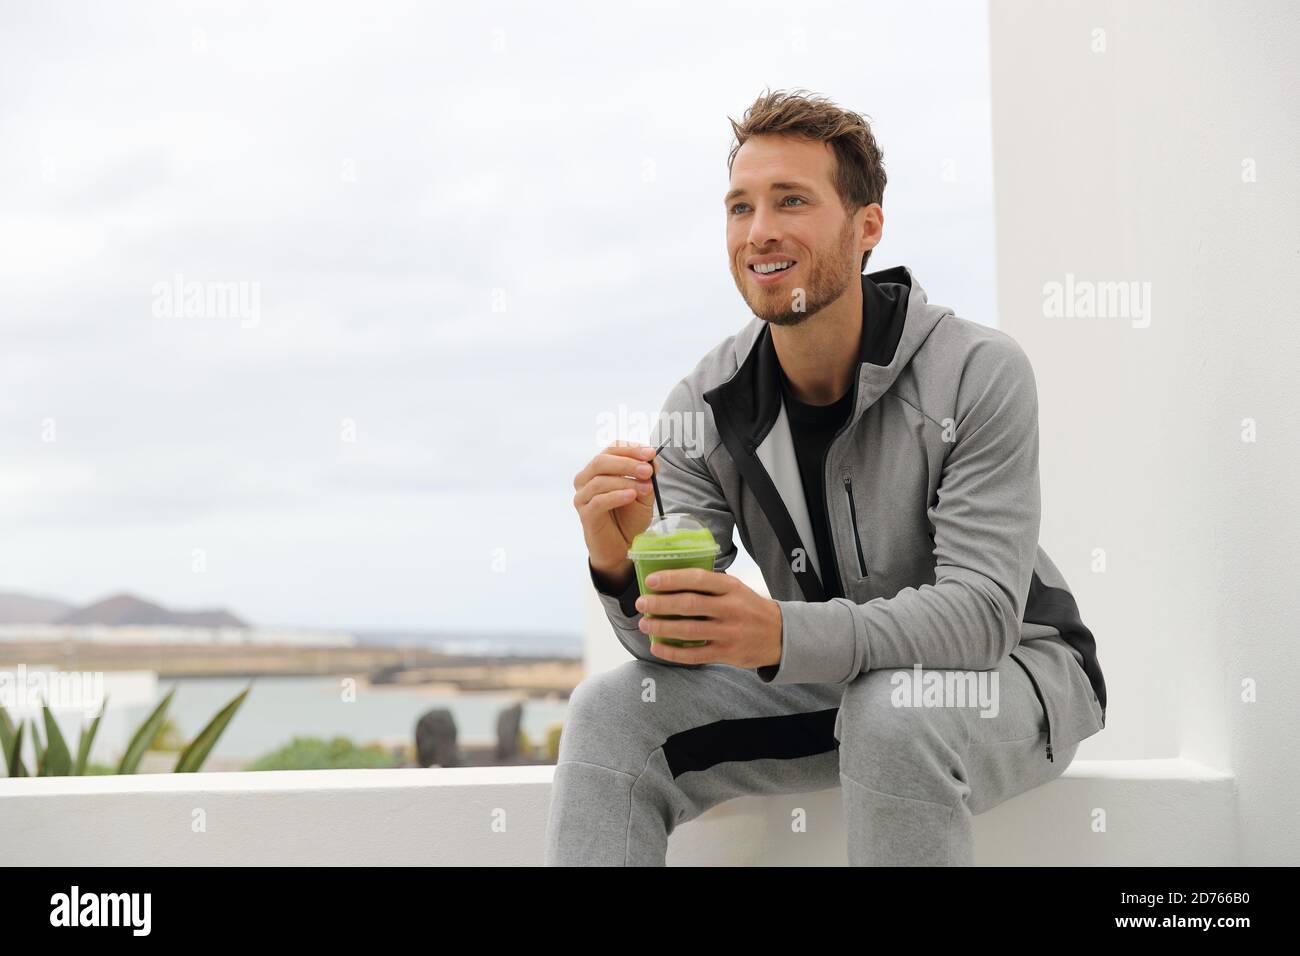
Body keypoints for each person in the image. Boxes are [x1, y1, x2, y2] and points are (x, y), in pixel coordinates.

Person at [547, 89, 1107, 866]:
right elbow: (671, 641)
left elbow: (981, 618)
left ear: (866, 225)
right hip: (834, 681)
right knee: (611, 711)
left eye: (792, 201)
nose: (760, 231)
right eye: (740, 207)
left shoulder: (978, 372)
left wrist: (780, 632)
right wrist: (620, 561)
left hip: (1015, 672)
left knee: (892, 711)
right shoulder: (704, 409)